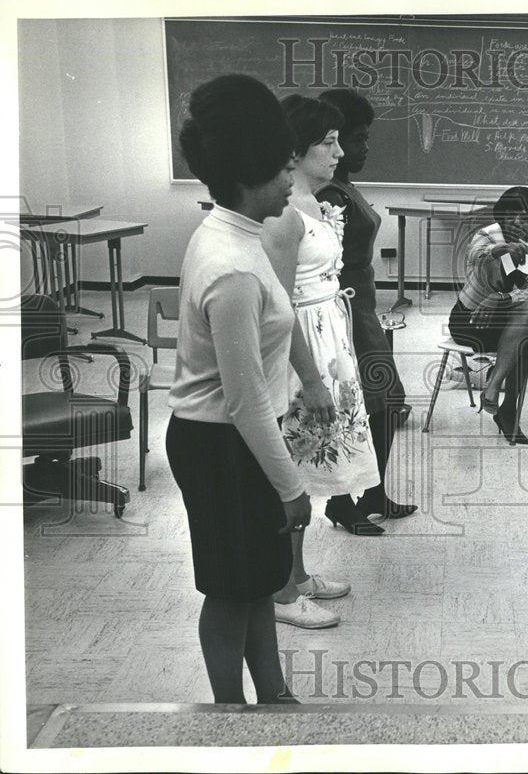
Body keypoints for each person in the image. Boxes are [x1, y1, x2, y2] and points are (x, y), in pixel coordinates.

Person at [167, 74, 307, 704]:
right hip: (221, 445)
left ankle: (273, 697)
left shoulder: (233, 237)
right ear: (253, 172)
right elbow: (246, 401)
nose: (291, 180)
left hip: (233, 440)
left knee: (253, 583)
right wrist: (292, 487)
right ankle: (227, 718)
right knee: (230, 590)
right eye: (283, 168)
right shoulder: (233, 268)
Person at [261, 95, 382, 628]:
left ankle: (300, 574)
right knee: (287, 469)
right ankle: (281, 592)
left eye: (338, 140)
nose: (338, 152)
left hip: (329, 336)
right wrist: (310, 377)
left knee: (308, 468)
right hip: (302, 349)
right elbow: (278, 305)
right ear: (296, 148)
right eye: (327, 143)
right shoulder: (285, 215)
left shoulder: (315, 200)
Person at [315, 88, 417, 524]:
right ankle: (342, 501)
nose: (360, 148)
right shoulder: (329, 195)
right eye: (355, 139)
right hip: (347, 311)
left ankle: (373, 494)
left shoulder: (343, 186)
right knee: (366, 403)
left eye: (361, 139)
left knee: (387, 401)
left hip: (363, 306)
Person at [448, 186, 528, 444]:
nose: (516, 222)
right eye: (510, 215)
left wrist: (498, 299)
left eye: (524, 217)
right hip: (470, 319)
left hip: (508, 322)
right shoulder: (486, 235)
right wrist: (502, 250)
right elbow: (476, 255)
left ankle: (501, 400)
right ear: (501, 216)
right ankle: (505, 410)